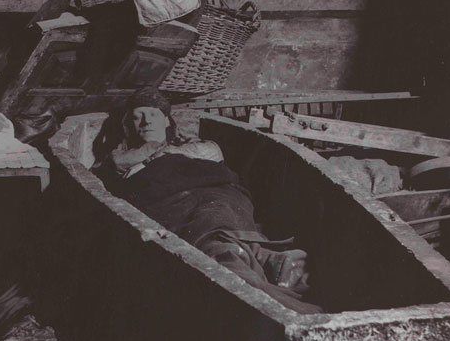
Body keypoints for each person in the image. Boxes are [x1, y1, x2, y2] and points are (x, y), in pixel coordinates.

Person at [101, 86, 321, 314]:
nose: (146, 121)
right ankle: (256, 269)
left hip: (222, 200)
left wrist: (158, 153)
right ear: (130, 126)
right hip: (176, 207)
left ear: (167, 121)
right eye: (138, 117)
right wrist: (150, 152)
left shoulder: (196, 146)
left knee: (224, 231)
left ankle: (251, 256)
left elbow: (214, 155)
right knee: (218, 249)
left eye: (154, 114)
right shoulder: (122, 158)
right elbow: (117, 170)